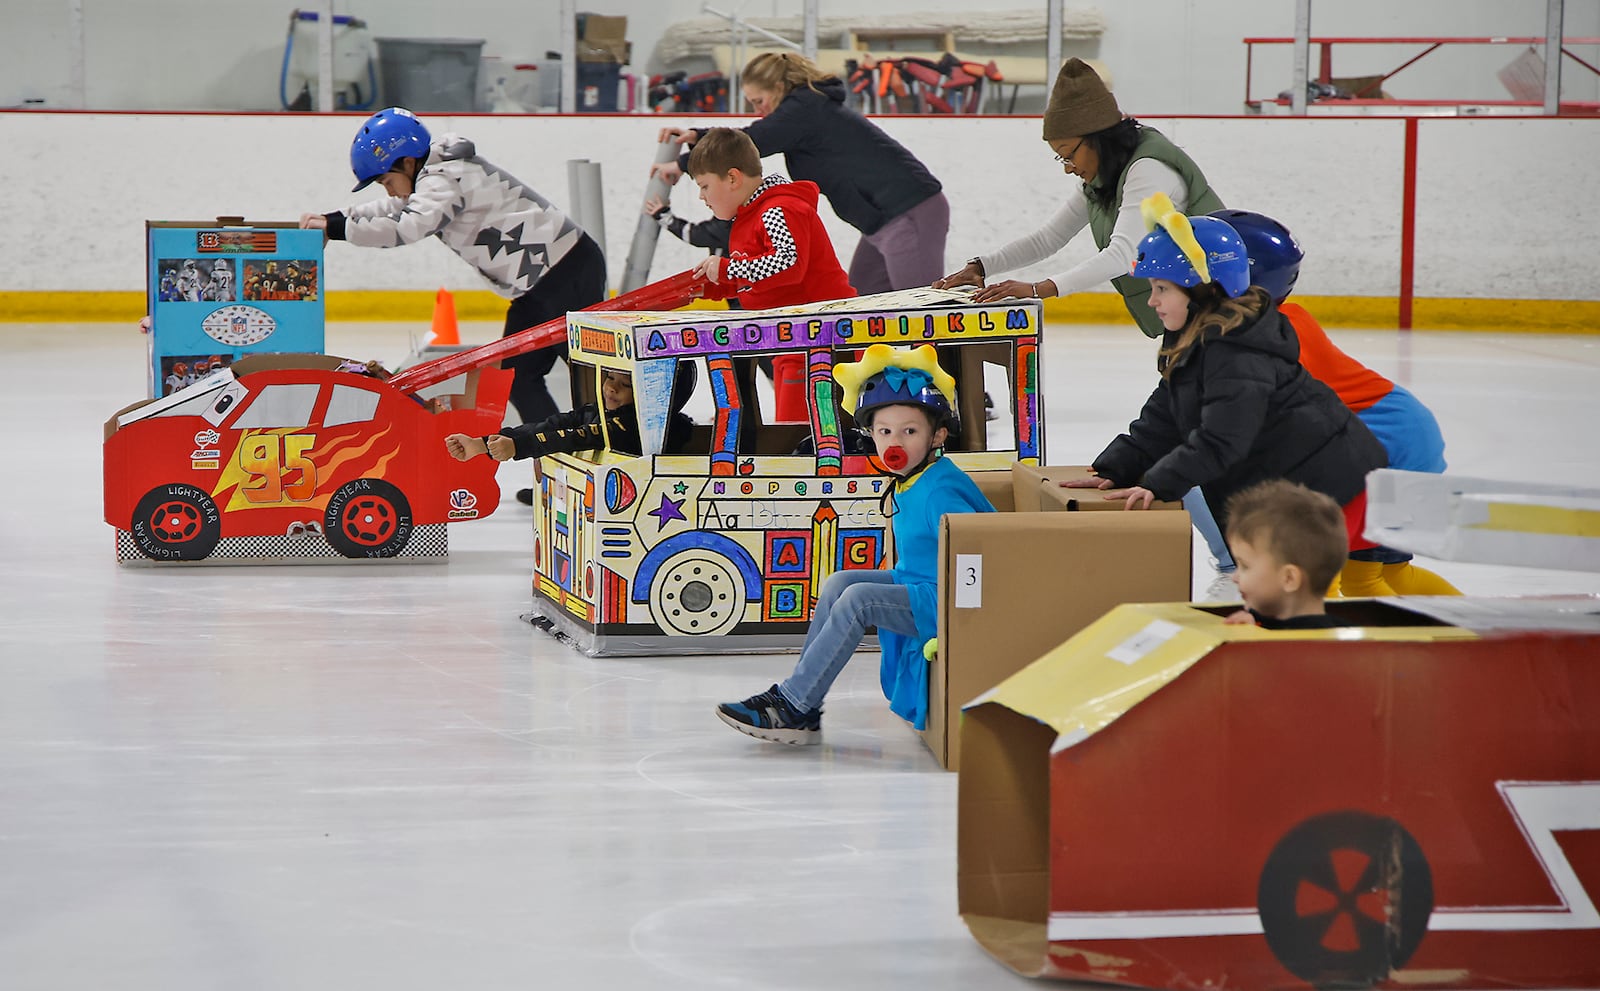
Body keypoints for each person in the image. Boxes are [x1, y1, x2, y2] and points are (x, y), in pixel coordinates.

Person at [936, 58, 1236, 596]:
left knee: (1196, 434)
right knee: (1183, 431)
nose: (1068, 167)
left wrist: (1039, 290)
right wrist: (983, 265)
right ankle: (1229, 556)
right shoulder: (1105, 175)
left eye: (1069, 154)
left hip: (1222, 313)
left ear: (1098, 137)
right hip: (1187, 317)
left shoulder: (1150, 170)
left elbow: (1125, 251)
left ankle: (1235, 559)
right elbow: (1048, 238)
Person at [1061, 197, 1389, 584]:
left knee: (1291, 591)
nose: (1152, 301)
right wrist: (1118, 468)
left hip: (1332, 487)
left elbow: (1221, 440)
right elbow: (1165, 414)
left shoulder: (1236, 351)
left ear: (1204, 289)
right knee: (1291, 592)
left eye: (1162, 289)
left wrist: (1156, 484)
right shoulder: (1198, 339)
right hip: (1296, 488)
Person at [716, 344, 995, 745]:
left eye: (909, 431)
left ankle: (793, 706)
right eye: (884, 431)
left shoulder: (938, 491)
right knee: (840, 584)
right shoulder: (912, 479)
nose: (894, 442)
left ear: (938, 435)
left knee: (859, 599)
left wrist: (967, 608)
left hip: (950, 597)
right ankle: (804, 702)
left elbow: (981, 549)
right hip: (920, 583)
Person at [300, 106, 607, 455]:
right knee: (518, 379)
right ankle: (561, 461)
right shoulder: (434, 175)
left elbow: (408, 225)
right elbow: (397, 208)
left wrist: (338, 229)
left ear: (407, 163)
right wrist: (336, 218)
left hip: (566, 270)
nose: (388, 192)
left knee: (591, 380)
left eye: (386, 181)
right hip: (536, 285)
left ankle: (601, 462)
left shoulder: (445, 178)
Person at [1214, 208, 1460, 597]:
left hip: (1388, 442)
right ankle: (1472, 638)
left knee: (1309, 570)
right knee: (1372, 578)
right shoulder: (1275, 323)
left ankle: (1309, 645)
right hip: (1400, 434)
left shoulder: (1276, 333)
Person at [653, 52, 947, 294]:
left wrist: (683, 162)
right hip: (881, 221)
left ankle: (937, 367)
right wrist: (695, 135)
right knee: (864, 306)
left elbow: (750, 142)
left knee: (919, 311)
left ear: (778, 88)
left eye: (759, 101)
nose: (759, 110)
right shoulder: (804, 111)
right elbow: (754, 137)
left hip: (908, 209)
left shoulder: (806, 107)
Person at [686, 127, 855, 423]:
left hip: (821, 342)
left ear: (733, 178)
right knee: (793, 433)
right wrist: (720, 286)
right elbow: (765, 281)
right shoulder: (753, 215)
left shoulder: (777, 209)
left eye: (704, 186)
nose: (701, 196)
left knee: (799, 435)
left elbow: (788, 265)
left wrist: (726, 269)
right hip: (795, 341)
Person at [444, 366, 695, 465]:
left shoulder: (631, 425)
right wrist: (484, 443)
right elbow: (551, 425)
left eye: (626, 385)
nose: (611, 387)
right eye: (610, 377)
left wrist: (518, 447)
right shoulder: (598, 411)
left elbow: (575, 437)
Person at [1220, 480, 1351, 629]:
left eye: (1245, 566)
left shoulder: (1309, 647)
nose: (1234, 577)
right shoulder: (1259, 624)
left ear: (1289, 578)